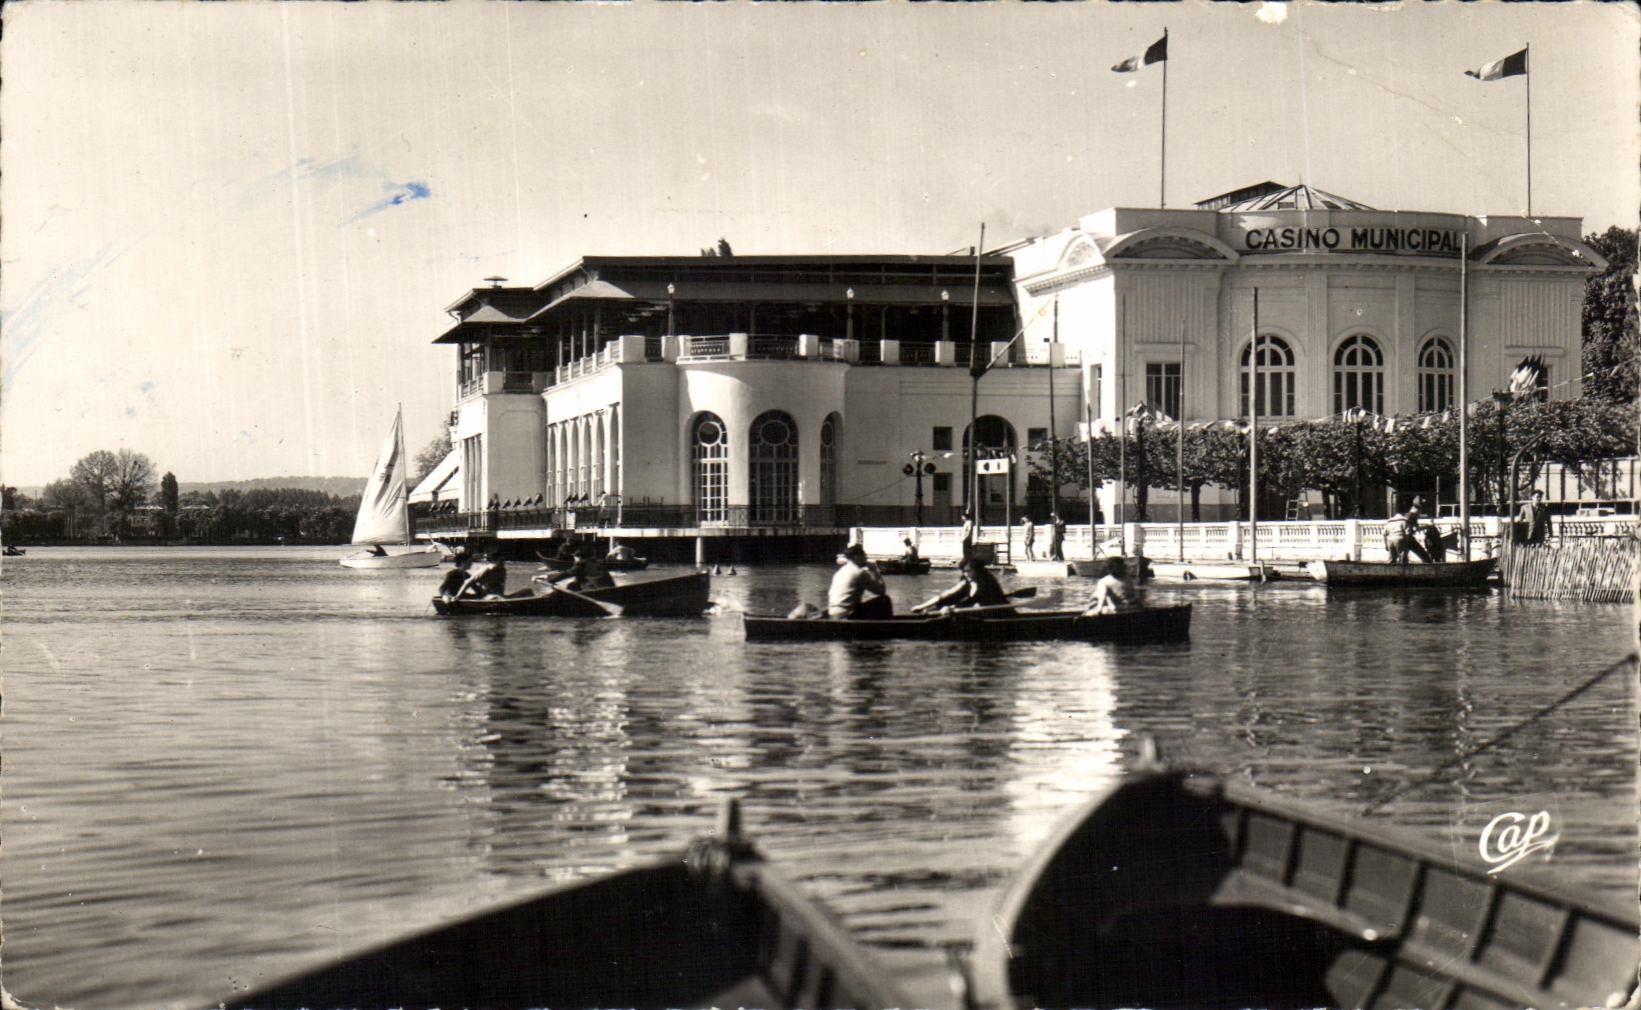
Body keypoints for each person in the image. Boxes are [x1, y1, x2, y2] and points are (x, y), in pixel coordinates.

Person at [912, 553, 1009, 613]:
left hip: (997, 614)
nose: (966, 574)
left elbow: (972, 602)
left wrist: (952, 608)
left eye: (969, 571)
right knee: (944, 603)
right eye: (964, 571)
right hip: (978, 610)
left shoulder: (986, 583)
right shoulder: (968, 581)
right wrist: (923, 606)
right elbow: (947, 595)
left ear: (978, 570)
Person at [827, 543, 889, 619]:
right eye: (863, 554)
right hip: (847, 614)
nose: (866, 557)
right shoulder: (859, 572)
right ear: (856, 557)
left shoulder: (840, 571)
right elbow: (881, 591)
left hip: (833, 613)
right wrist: (874, 570)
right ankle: (886, 624)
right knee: (884, 599)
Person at [548, 542, 615, 592]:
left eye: (575, 557)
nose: (574, 560)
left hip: (595, 590)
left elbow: (567, 573)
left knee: (571, 586)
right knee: (574, 584)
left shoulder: (581, 563)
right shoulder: (597, 562)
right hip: (610, 588)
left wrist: (551, 578)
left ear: (579, 557)